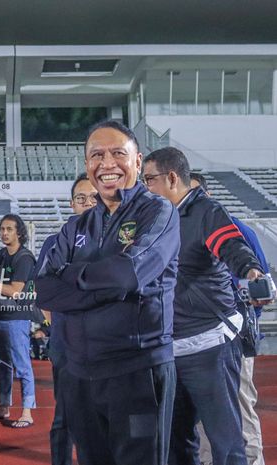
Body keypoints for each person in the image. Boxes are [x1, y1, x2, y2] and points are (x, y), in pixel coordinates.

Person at [35, 121, 180, 465]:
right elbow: (44, 291)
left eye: (118, 153)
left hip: (137, 371)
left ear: (138, 160)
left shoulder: (158, 212)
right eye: (96, 155)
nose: (107, 163)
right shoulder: (76, 226)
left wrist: (71, 275)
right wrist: (107, 287)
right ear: (87, 164)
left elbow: (126, 274)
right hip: (80, 374)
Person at [143, 148, 270, 465]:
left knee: (226, 444)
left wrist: (252, 272)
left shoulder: (206, 212)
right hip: (169, 350)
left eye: (150, 180)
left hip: (210, 348)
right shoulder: (155, 219)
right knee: (177, 444)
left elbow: (232, 246)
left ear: (172, 178)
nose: (145, 188)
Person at [190, 172, 269, 465]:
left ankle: (252, 461)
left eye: (196, 195)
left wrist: (244, 325)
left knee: (240, 405)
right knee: (201, 414)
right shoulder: (176, 228)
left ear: (208, 197)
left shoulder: (238, 230)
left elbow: (260, 282)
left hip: (233, 337)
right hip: (196, 338)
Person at [35, 173, 97, 465]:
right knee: (66, 417)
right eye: (81, 198)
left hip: (110, 345)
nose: (87, 203)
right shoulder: (55, 242)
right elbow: (44, 292)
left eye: (93, 197)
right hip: (66, 344)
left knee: (104, 418)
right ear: (72, 204)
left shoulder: (118, 238)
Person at [0, 214, 36, 428]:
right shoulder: (2, 253)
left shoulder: (24, 257)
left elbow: (15, 291)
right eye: (2, 229)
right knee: (3, 366)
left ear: (19, 232)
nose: (4, 233)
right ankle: (3, 407)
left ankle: (27, 412)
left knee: (22, 366)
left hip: (17, 317)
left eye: (9, 229)